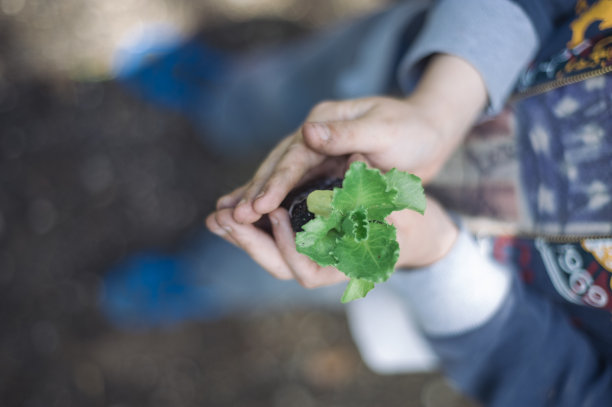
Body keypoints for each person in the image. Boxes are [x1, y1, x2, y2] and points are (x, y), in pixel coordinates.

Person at [206, 0, 612, 406]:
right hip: (421, 66)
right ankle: (220, 103)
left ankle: (198, 281)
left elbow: (566, 388)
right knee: (288, 89)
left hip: (434, 281)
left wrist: (436, 257)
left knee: (261, 266)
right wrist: (439, 106)